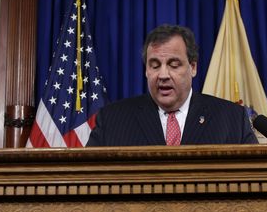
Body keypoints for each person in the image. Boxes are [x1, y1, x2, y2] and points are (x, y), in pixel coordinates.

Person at [87, 24, 258, 146]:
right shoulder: (112, 120)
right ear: (146, 70)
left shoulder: (232, 119)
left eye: (173, 65)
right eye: (154, 65)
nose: (163, 75)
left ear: (193, 67)